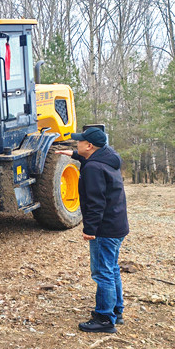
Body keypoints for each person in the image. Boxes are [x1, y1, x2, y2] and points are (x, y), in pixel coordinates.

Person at [56, 127, 129, 333]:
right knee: (112, 268)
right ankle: (116, 311)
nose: (76, 143)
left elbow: (96, 203)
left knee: (103, 272)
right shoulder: (108, 157)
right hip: (117, 225)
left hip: (105, 229)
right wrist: (74, 154)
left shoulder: (93, 169)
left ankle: (104, 319)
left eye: (80, 142)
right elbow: (93, 158)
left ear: (89, 146)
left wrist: (90, 229)